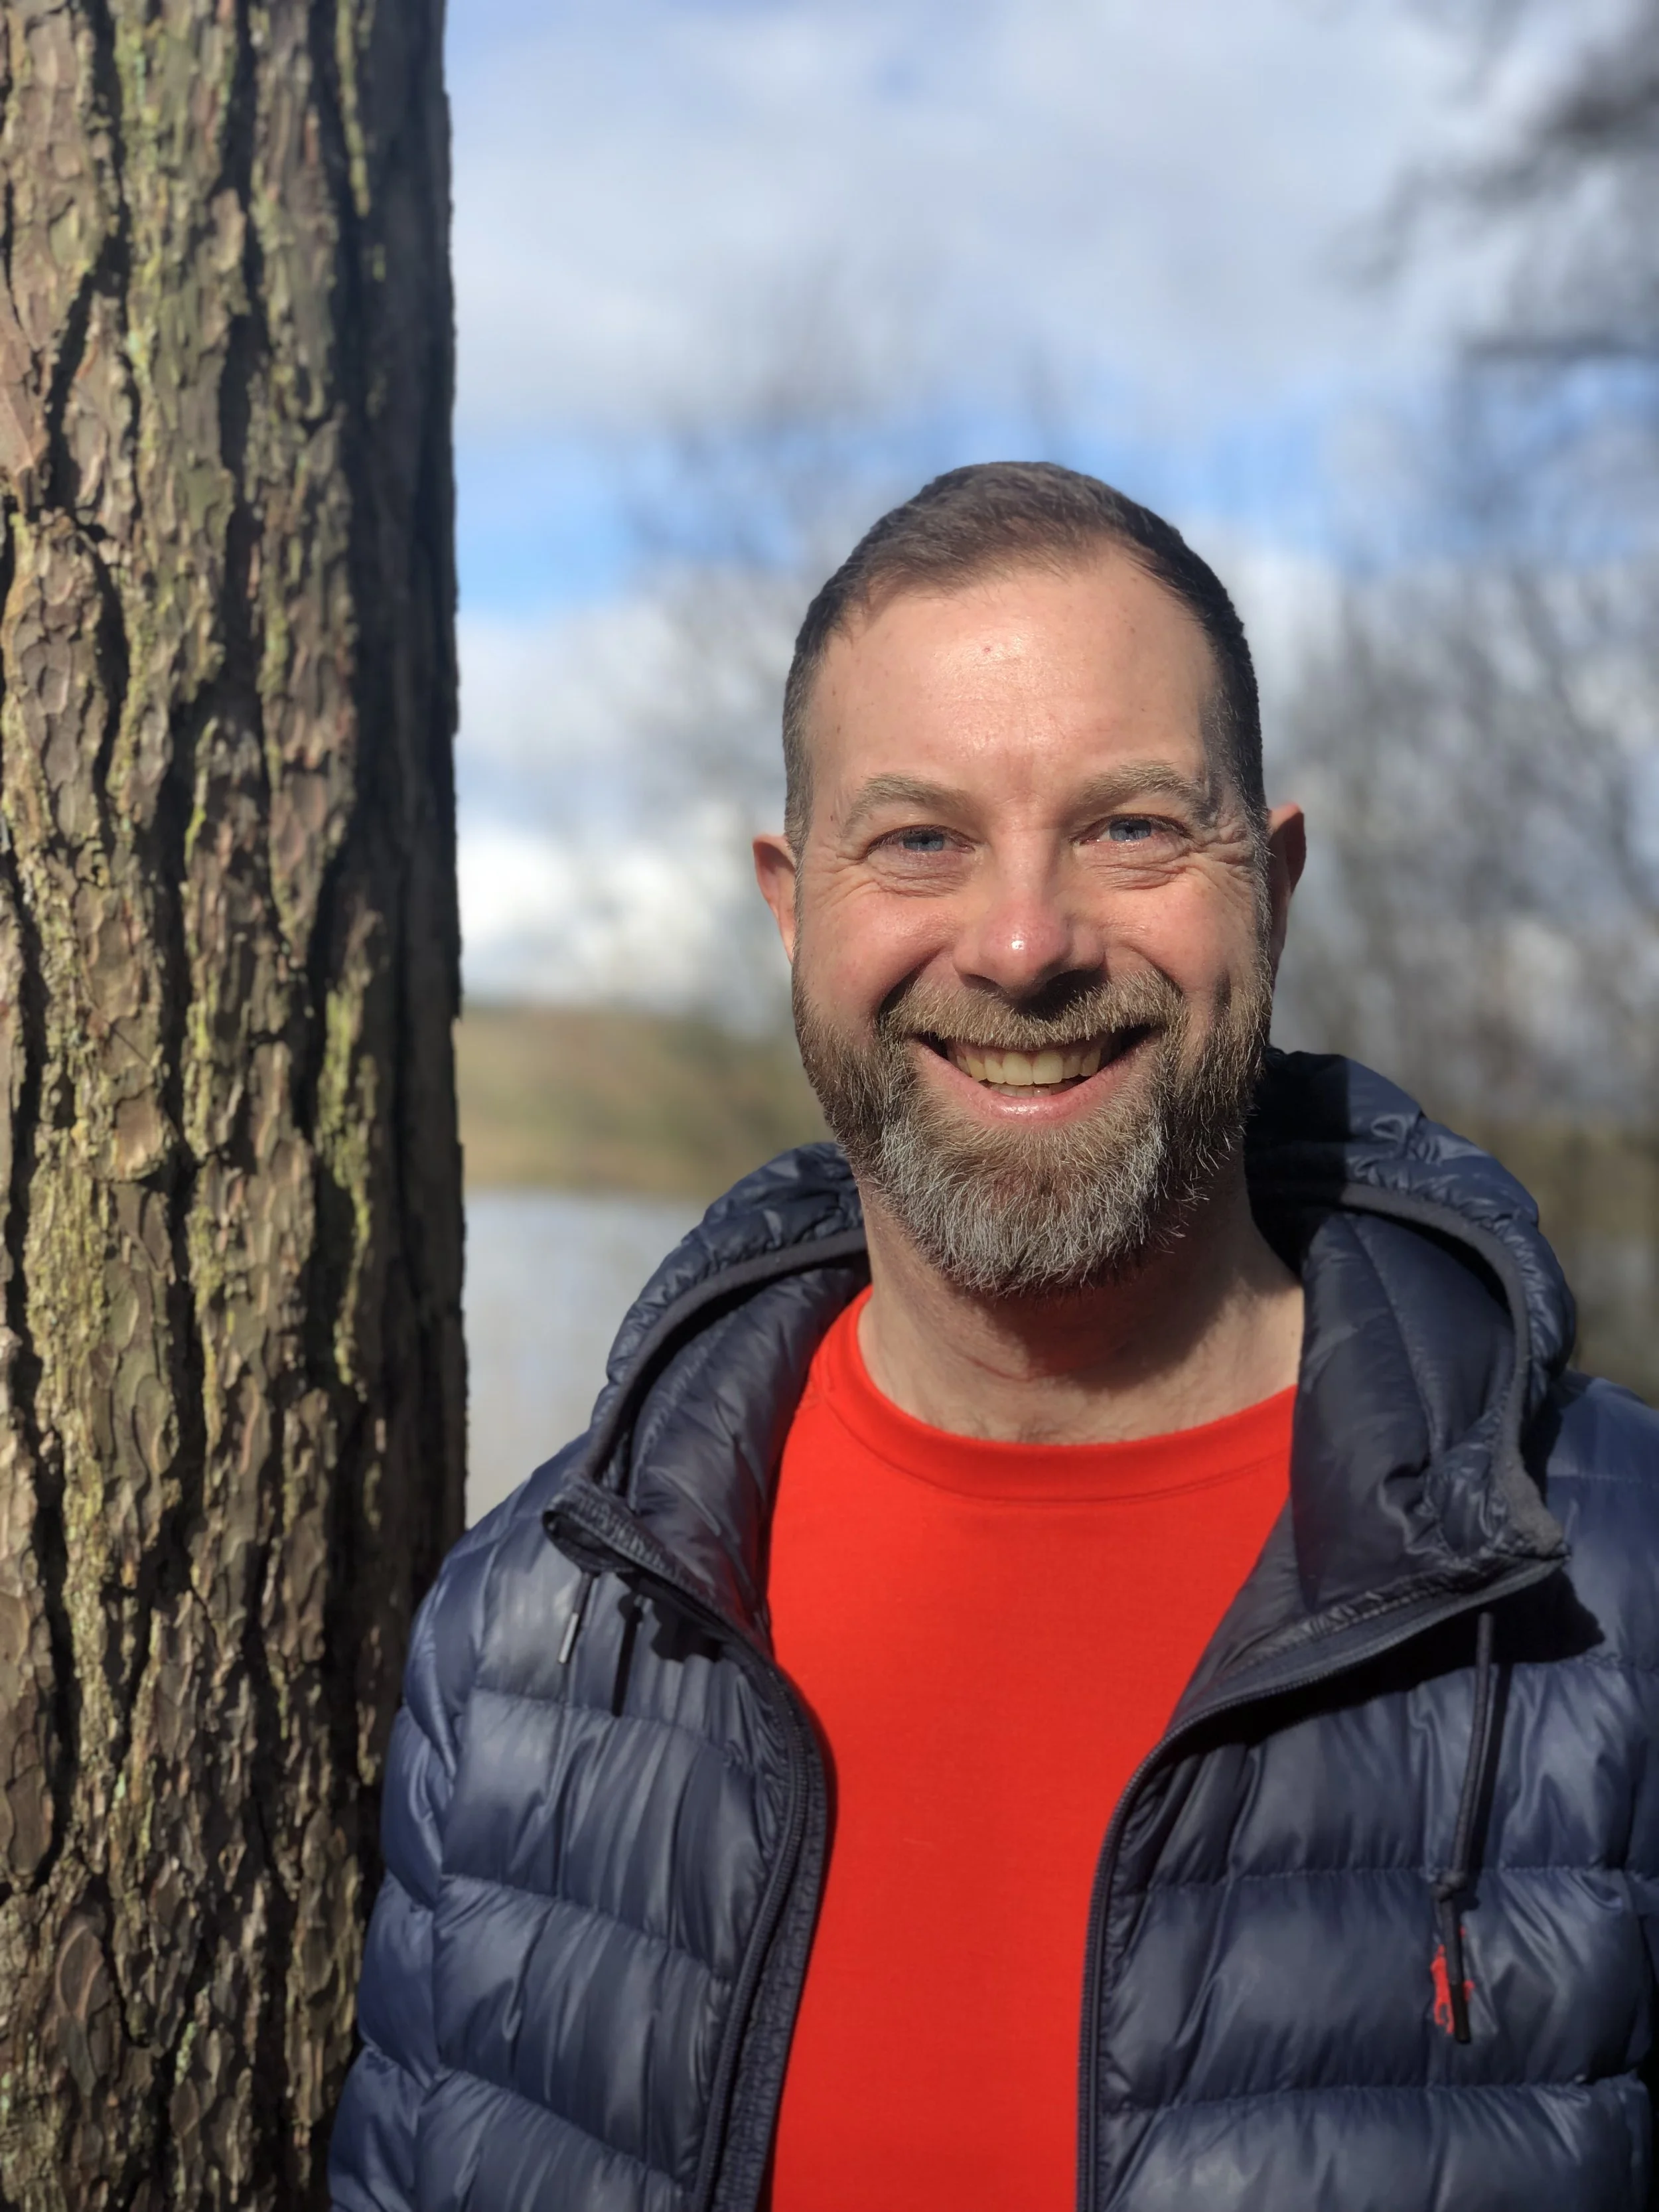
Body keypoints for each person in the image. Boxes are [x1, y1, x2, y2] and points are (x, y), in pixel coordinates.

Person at [330, 463, 1659, 2212]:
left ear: (1267, 887)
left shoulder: (1605, 1591)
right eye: (918, 838)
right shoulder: (531, 1633)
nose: (1024, 943)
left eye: (1127, 825)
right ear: (790, 907)